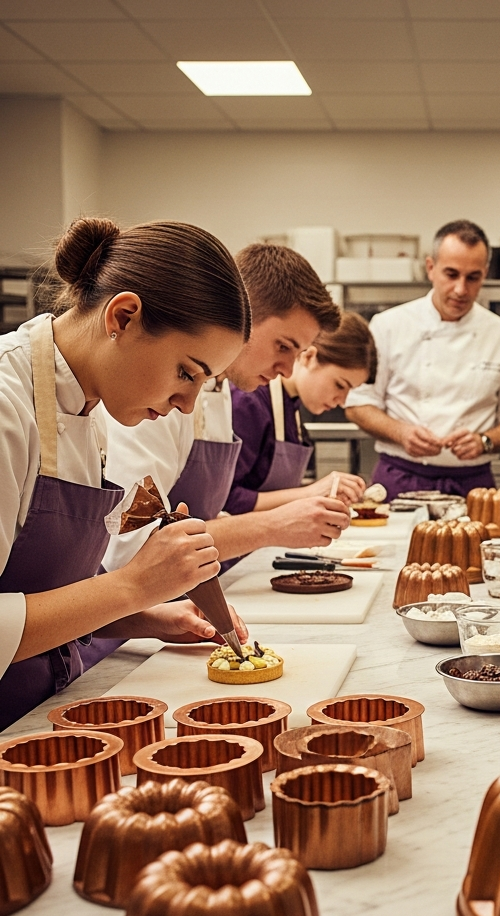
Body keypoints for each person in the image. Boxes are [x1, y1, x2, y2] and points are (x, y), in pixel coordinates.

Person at [0, 217, 250, 731]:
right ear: (123, 316)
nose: (187, 405)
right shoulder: (7, 405)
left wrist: (142, 616)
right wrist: (133, 586)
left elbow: (46, 589)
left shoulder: (90, 405)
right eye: (186, 372)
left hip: (39, 709)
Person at [102, 243, 354, 577]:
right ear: (240, 314)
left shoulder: (218, 392)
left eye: (298, 353)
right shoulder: (160, 396)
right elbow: (131, 545)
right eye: (282, 346)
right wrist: (269, 526)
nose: (288, 370)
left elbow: (206, 514)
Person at [345, 219, 500, 498]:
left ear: (484, 274)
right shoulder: (388, 326)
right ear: (431, 268)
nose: (461, 289)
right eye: (451, 274)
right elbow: (358, 404)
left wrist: (485, 441)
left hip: (472, 484)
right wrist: (401, 433)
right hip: (400, 478)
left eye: (473, 277)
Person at [226, 311, 377, 515]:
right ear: (309, 357)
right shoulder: (249, 402)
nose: (342, 401)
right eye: (340, 385)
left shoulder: (292, 409)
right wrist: (311, 493)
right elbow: (226, 500)